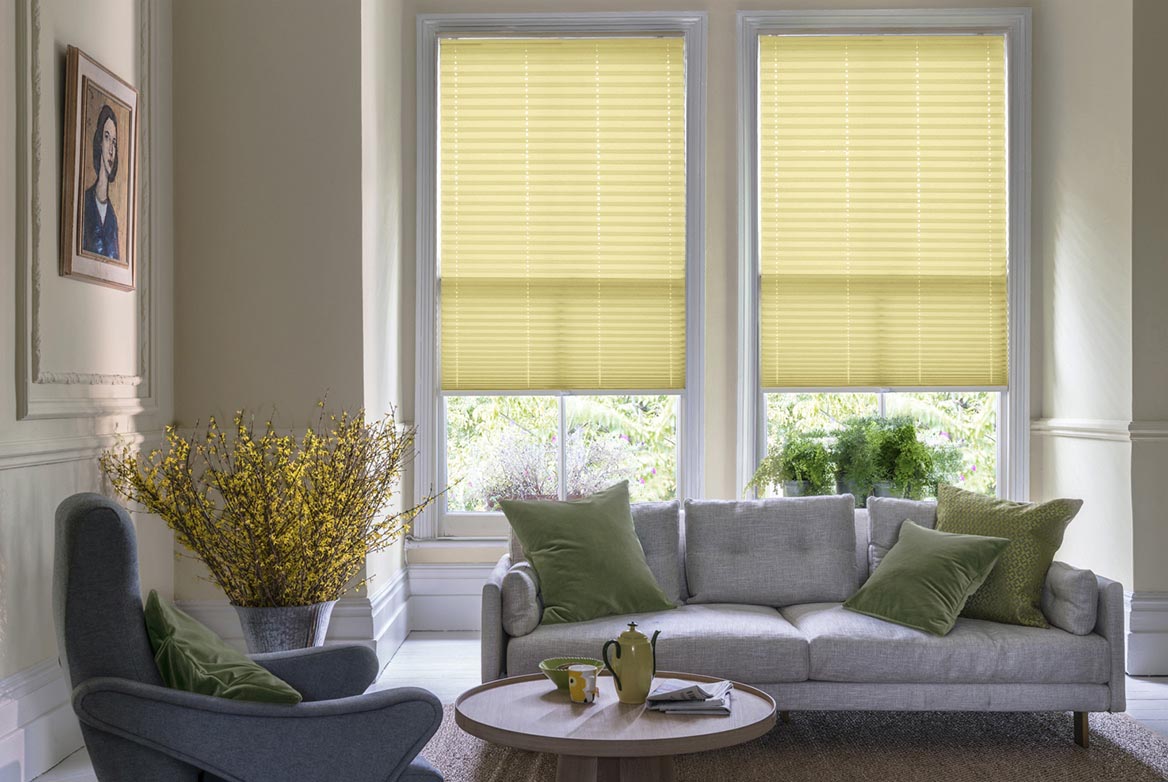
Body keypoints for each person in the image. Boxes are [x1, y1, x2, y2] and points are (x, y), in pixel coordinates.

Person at [81, 104, 120, 260]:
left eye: (114, 142)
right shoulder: (85, 202)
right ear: (99, 142)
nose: (111, 150)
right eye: (107, 137)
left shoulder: (112, 218)